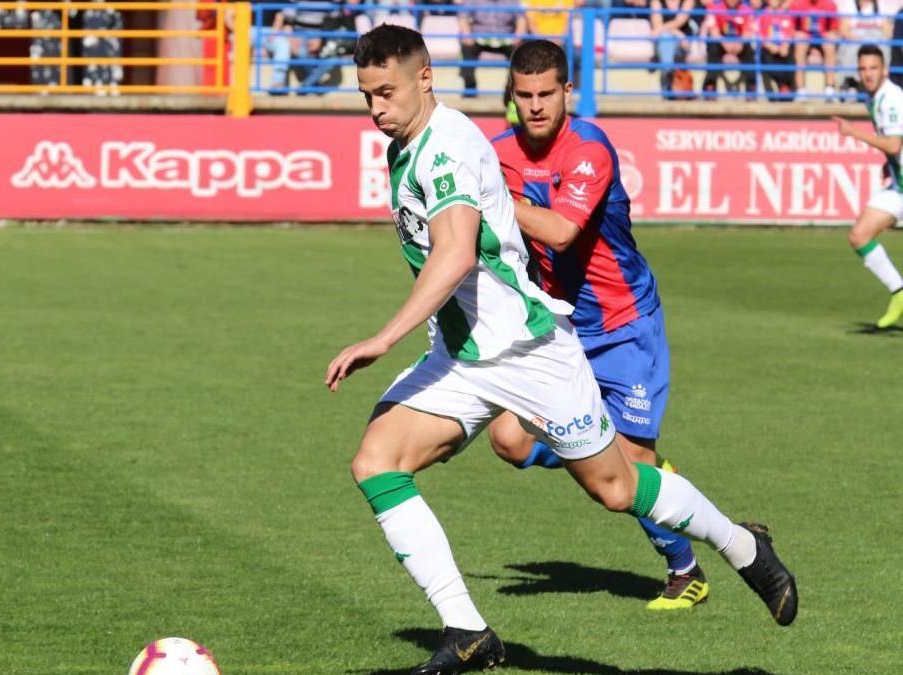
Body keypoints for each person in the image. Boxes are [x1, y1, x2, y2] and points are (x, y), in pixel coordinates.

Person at [332, 23, 797, 674]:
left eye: (386, 92)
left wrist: (382, 338)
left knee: (616, 486)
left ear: (425, 77)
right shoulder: (409, 143)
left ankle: (742, 543)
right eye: (366, 96)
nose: (377, 108)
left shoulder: (446, 150)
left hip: (528, 350)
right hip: (464, 356)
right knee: (376, 460)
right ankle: (467, 630)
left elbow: (456, 250)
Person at [490, 38, 708, 611]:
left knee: (631, 477)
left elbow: (561, 232)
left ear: (567, 93)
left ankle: (686, 568)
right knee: (509, 441)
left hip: (624, 325)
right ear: (511, 95)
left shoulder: (588, 147)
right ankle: (625, 461)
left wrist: (486, 198)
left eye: (546, 94)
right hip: (559, 325)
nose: (535, 106)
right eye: (524, 95)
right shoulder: (496, 152)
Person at [833, 45, 903, 328]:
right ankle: (899, 293)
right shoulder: (873, 97)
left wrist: (853, 133)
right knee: (860, 235)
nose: (868, 74)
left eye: (873, 68)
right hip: (899, 186)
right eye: (863, 69)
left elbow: (893, 143)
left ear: (884, 69)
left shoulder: (891, 99)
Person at [456, 0, 526, 98]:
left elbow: (521, 19)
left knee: (518, 53)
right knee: (467, 47)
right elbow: (463, 17)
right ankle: (470, 87)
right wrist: (467, 35)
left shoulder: (513, 1)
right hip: (479, 37)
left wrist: (518, 36)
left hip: (506, 39)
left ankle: (510, 90)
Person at [700, 0, 756, 98]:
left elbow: (748, 32)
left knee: (749, 51)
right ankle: (710, 87)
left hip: (740, 44)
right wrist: (725, 43)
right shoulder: (715, 9)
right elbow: (714, 31)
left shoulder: (747, 10)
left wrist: (740, 43)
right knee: (713, 48)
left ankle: (751, 88)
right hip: (721, 43)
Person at [836, 0, 889, 98]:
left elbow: (887, 31)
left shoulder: (880, 5)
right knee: (853, 48)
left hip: (875, 42)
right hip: (855, 41)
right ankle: (850, 82)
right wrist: (860, 39)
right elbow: (844, 30)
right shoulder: (850, 5)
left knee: (883, 47)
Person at [650, 0, 700, 99]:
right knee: (666, 39)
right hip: (665, 42)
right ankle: (670, 78)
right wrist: (677, 33)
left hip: (683, 44)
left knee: (667, 40)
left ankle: (668, 81)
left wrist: (664, 30)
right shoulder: (656, 2)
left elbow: (679, 21)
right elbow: (656, 25)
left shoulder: (688, 1)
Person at [790, 0, 839, 99]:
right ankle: (801, 90)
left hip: (822, 39)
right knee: (800, 44)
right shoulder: (797, 3)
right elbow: (791, 27)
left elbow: (835, 29)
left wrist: (830, 35)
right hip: (805, 39)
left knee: (829, 45)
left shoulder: (830, 4)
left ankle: (830, 90)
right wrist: (797, 34)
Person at [753, 0, 797, 100]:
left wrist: (785, 45)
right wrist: (770, 45)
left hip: (783, 48)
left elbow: (790, 33)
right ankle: (779, 87)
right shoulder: (763, 15)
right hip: (768, 48)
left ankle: (786, 88)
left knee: (790, 58)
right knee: (766, 59)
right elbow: (760, 35)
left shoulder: (786, 14)